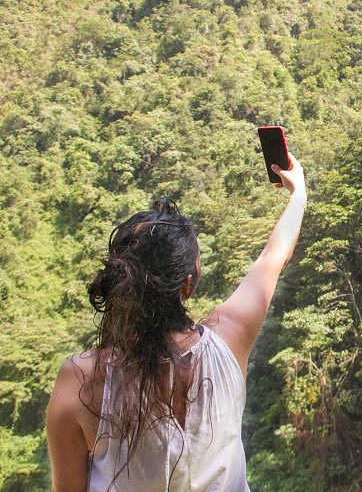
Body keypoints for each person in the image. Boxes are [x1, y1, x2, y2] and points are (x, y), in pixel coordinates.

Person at [46, 152, 306, 491]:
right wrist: (298, 192)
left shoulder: (81, 380)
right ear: (188, 282)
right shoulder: (228, 340)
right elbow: (273, 256)